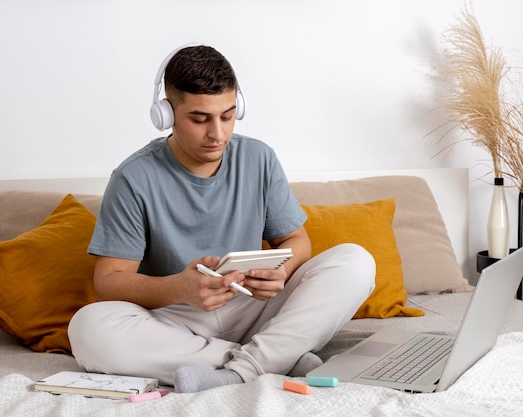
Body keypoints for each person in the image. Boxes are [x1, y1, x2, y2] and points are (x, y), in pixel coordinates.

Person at [68, 45, 375, 393]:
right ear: (166, 114)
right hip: (177, 317)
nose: (217, 134)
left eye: (227, 116)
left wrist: (282, 272)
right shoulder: (133, 177)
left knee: (355, 260)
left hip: (253, 306)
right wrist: (178, 288)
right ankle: (275, 359)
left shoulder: (259, 157)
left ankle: (241, 368)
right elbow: (108, 280)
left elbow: (297, 241)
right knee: (88, 328)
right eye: (200, 119)